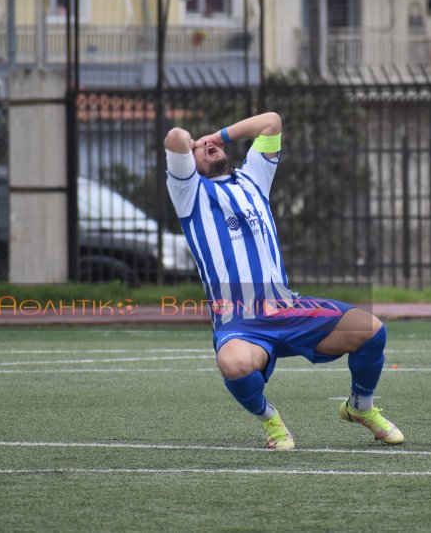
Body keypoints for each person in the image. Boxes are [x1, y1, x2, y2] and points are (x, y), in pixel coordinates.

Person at [164, 111, 404, 449]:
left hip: (289, 308)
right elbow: (175, 136)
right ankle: (271, 421)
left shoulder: (253, 178)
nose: (205, 146)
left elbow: (271, 121)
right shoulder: (189, 193)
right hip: (241, 322)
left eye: (208, 144)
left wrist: (219, 136)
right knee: (233, 364)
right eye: (198, 149)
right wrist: (188, 143)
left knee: (372, 331)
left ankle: (359, 408)